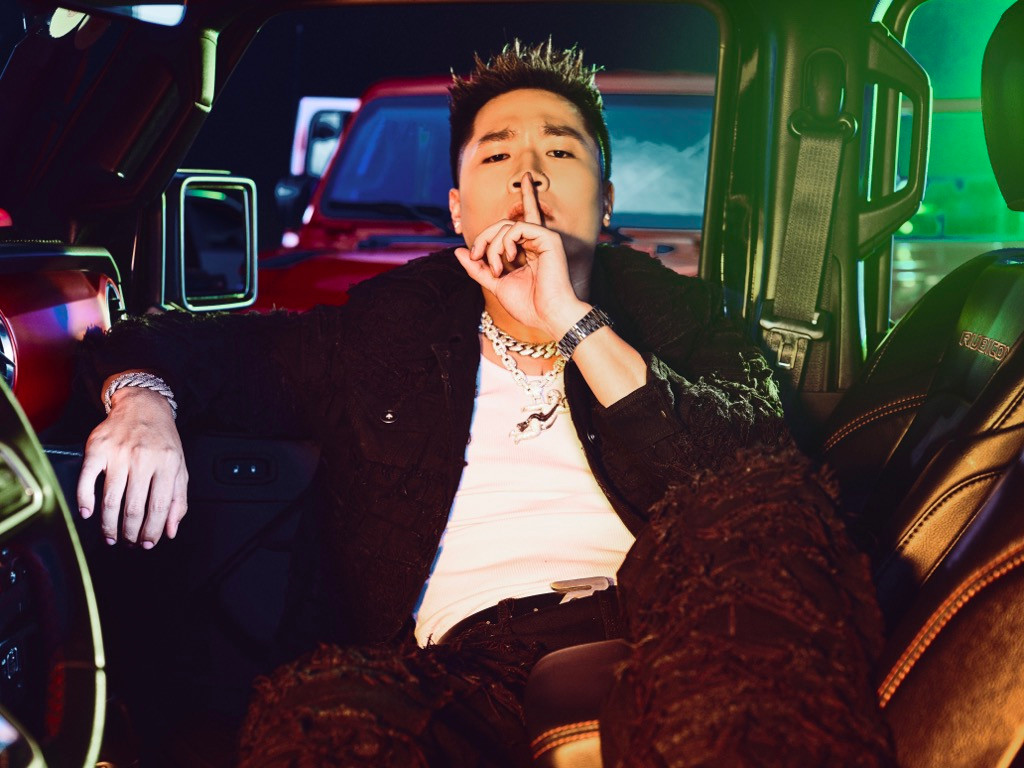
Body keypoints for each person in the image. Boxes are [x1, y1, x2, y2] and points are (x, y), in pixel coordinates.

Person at [78, 41, 894, 767]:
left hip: (676, 638)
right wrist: (144, 403)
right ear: (458, 209)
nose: (528, 177)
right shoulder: (391, 328)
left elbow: (756, 486)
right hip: (464, 673)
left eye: (560, 152)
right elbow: (190, 346)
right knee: (324, 712)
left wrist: (573, 321)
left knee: (769, 508)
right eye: (497, 155)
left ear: (607, 201)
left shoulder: (683, 315)